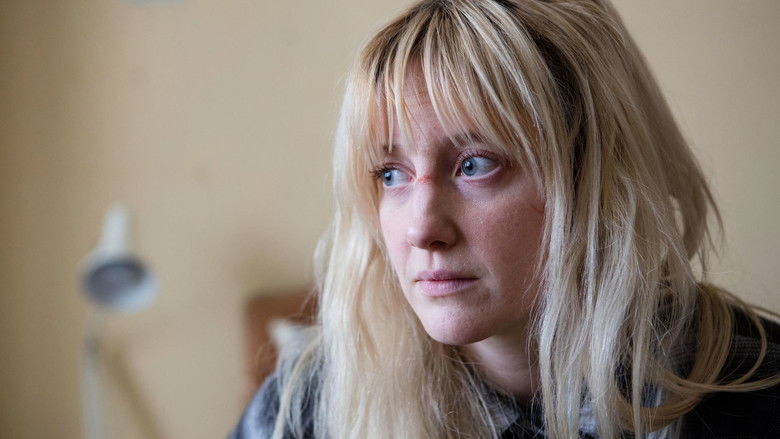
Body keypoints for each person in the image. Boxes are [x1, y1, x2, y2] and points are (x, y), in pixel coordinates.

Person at [230, 1, 780, 438]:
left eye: (474, 165)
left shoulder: (757, 395)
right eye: (391, 174)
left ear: (596, 176)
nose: (422, 230)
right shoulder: (305, 410)